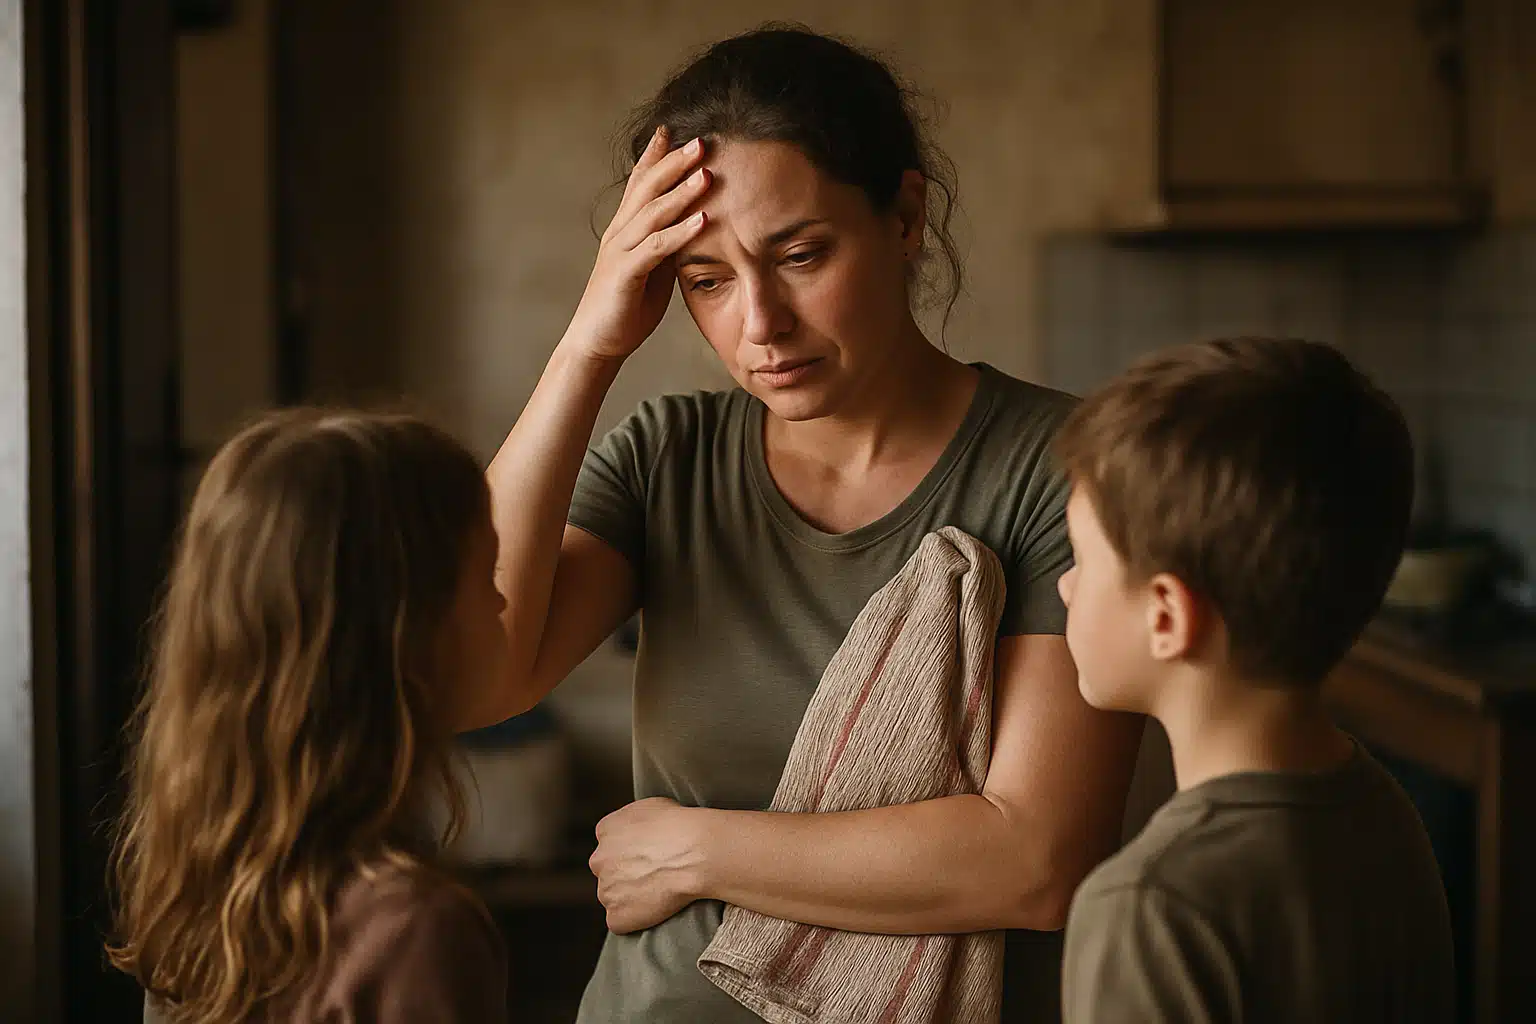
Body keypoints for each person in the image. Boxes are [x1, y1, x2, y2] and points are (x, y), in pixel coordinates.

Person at [484, 24, 1143, 1022]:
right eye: (705, 280)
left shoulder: (1061, 468)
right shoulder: (669, 456)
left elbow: (1034, 859)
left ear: (907, 214)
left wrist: (695, 848)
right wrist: (588, 344)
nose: (761, 323)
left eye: (800, 255)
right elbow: (482, 670)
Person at [1054, 338, 1457, 1022]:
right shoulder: (1388, 814)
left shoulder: (1148, 906)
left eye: (1081, 559)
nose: (1064, 587)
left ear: (1166, 616)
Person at [110, 410, 512, 1024]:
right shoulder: (416, 934)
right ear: (407, 634)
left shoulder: (197, 899)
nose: (504, 601)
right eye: (485, 576)